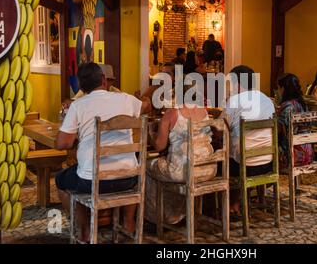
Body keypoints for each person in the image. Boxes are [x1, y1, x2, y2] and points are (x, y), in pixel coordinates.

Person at [55, 63, 151, 242]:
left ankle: (85, 229)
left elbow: (63, 143)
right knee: (131, 164)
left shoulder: (78, 105)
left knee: (62, 179)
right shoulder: (125, 99)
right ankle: (128, 223)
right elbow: (146, 106)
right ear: (104, 80)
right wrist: (144, 100)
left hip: (92, 182)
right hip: (128, 179)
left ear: (81, 87)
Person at [145, 85, 215, 224]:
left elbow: (160, 146)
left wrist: (151, 135)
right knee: (175, 165)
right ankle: (181, 213)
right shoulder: (204, 112)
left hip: (183, 172)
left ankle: (159, 218)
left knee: (147, 166)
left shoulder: (172, 113)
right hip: (208, 169)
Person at [221, 65, 275, 214]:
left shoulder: (234, 100)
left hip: (245, 166)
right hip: (267, 163)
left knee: (218, 160)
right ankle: (237, 202)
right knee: (241, 151)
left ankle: (226, 205)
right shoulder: (267, 100)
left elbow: (221, 127)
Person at [277, 74, 314, 169]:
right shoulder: (302, 104)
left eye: (279, 88)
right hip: (308, 154)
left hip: (292, 157)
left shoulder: (287, 107)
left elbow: (278, 131)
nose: (278, 91)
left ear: (283, 89)